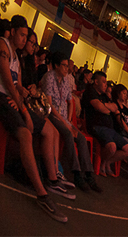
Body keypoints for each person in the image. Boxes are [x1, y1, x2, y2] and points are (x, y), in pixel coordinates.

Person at [0, 15, 70, 222]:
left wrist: (22, 104)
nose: (23, 39)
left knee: (49, 129)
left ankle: (52, 178)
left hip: (13, 100)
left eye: (26, 36)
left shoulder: (17, 58)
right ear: (12, 31)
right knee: (25, 133)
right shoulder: (2, 45)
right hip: (1, 98)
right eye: (22, 35)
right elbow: (5, 79)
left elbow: (18, 84)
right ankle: (41, 194)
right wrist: (20, 106)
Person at [40, 52, 101, 192]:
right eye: (64, 65)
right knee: (68, 133)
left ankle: (88, 173)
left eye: (68, 66)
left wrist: (68, 119)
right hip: (51, 115)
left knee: (80, 138)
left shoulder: (66, 80)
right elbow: (49, 105)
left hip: (62, 117)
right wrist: (65, 122)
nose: (67, 69)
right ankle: (76, 173)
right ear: (56, 65)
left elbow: (70, 101)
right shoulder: (49, 78)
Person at [81, 70, 128, 177]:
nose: (106, 85)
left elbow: (114, 107)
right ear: (96, 82)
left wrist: (104, 105)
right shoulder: (90, 92)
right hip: (96, 126)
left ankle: (106, 163)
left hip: (110, 129)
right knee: (112, 147)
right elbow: (102, 109)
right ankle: (101, 164)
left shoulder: (104, 96)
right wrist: (106, 107)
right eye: (104, 82)